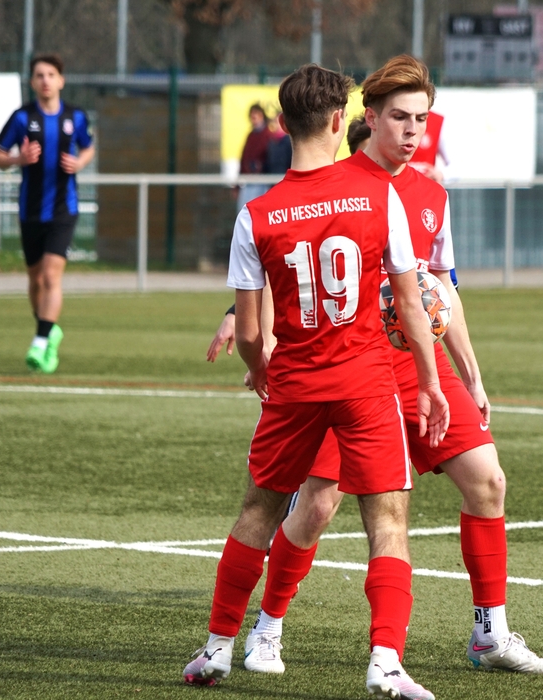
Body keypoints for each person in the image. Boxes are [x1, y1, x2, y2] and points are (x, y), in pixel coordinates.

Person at [207, 55, 543, 678]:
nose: (412, 132)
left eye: (422, 119)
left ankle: (490, 633)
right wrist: (239, 315)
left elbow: (439, 291)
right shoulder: (338, 177)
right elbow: (293, 256)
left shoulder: (429, 196)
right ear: (364, 120)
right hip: (351, 364)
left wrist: (470, 374)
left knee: (489, 481)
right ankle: (268, 627)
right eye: (400, 118)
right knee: (315, 507)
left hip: (411, 360)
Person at [183, 63, 449, 700]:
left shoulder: (257, 214)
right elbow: (411, 305)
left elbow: (250, 330)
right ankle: (385, 660)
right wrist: (431, 382)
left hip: (295, 387)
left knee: (257, 512)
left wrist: (258, 372)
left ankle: (220, 646)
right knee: (387, 523)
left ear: (280, 124)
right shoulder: (378, 194)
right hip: (364, 383)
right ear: (340, 121)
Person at [0, 53, 95, 374]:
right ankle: (49, 329)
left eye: (51, 74)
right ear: (32, 82)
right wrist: (18, 160)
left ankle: (39, 341)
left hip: (64, 209)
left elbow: (88, 146)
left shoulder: (75, 117)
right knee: (35, 280)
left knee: (52, 276)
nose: (45, 80)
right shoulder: (22, 118)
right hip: (30, 210)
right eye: (39, 75)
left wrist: (80, 162)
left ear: (61, 80)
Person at [236, 103, 273, 210]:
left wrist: (261, 167)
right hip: (248, 181)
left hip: (262, 181)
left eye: (256, 116)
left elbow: (271, 159)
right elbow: (244, 159)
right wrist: (237, 185)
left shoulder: (268, 135)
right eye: (252, 117)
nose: (254, 119)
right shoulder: (250, 136)